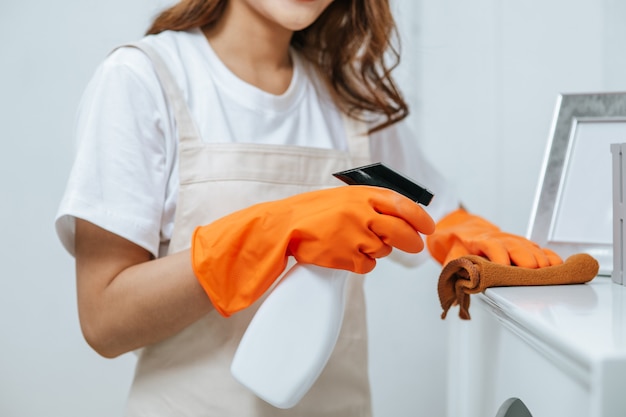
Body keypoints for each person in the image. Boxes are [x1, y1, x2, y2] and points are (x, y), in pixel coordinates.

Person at [55, 0, 561, 415]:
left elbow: (438, 213)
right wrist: (274, 233)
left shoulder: (346, 98)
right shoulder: (146, 79)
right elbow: (105, 319)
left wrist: (463, 235)